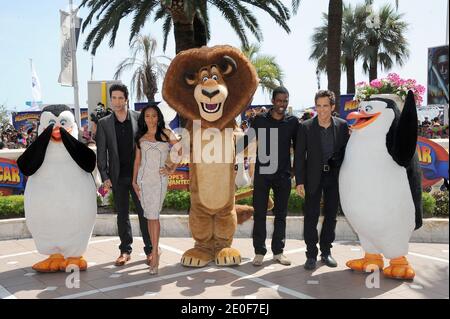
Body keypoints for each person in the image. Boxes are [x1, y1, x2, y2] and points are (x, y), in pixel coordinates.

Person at [241, 86, 299, 267]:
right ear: (273, 101)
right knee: (259, 214)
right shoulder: (259, 120)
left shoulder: (293, 122)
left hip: (283, 175)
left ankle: (278, 252)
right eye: (279, 100)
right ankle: (259, 252)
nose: (282, 104)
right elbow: (245, 140)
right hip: (263, 174)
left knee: (281, 215)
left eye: (285, 101)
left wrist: (295, 170)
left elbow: (299, 147)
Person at [96, 84, 153, 266]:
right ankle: (125, 251)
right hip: (117, 177)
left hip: (139, 176)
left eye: (121, 98)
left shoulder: (138, 118)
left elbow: (148, 144)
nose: (117, 102)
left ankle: (150, 250)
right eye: (114, 98)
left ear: (126, 99)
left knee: (144, 213)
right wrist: (105, 176)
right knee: (122, 215)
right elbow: (101, 152)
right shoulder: (104, 124)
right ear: (110, 100)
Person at [295, 90, 350, 270]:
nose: (321, 110)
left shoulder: (342, 126)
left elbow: (346, 153)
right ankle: (311, 254)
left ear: (332, 107)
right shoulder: (305, 127)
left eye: (325, 106)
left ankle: (326, 252)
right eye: (318, 106)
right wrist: (299, 181)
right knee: (311, 216)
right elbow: (299, 156)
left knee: (331, 216)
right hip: (313, 177)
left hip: (334, 177)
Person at [132, 105, 179, 275]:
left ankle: (154, 255)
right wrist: (134, 181)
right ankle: (154, 250)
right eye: (147, 116)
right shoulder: (140, 137)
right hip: (143, 180)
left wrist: (171, 168)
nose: (150, 119)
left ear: (158, 117)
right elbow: (137, 161)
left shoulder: (166, 133)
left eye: (153, 116)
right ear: (143, 118)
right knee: (149, 217)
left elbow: (180, 149)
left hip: (159, 180)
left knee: (154, 215)